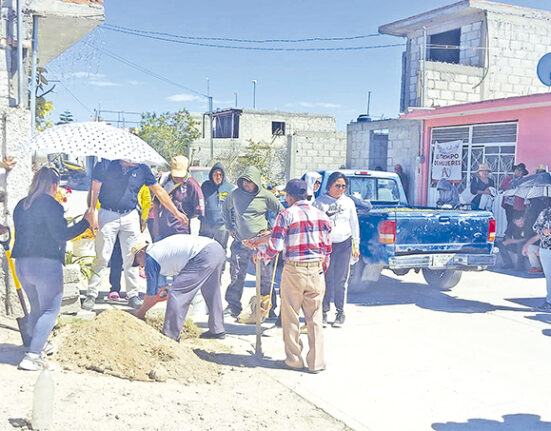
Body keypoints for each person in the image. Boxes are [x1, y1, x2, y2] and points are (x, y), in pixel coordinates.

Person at [245, 179, 331, 373]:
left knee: (291, 316)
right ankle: (316, 362)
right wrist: (321, 269)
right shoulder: (321, 215)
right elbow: (327, 248)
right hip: (316, 270)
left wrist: (260, 256)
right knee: (315, 318)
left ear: (290, 197)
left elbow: (275, 246)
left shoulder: (286, 214)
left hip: (294, 270)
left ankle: (294, 359)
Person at [82, 158, 189, 311]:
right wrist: (92, 210)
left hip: (130, 215)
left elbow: (158, 191)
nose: (134, 160)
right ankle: (91, 293)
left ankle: (133, 294)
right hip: (107, 213)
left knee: (132, 257)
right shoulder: (105, 164)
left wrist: (176, 212)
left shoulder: (142, 169)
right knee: (102, 256)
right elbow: (94, 189)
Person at [12, 167, 92, 370]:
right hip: (45, 264)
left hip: (22, 264)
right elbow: (61, 234)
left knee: (37, 308)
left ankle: (39, 343)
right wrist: (86, 223)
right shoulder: (51, 205)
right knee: (50, 310)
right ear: (54, 186)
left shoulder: (22, 204)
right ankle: (32, 356)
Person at [131, 234, 225, 339]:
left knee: (176, 293)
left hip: (202, 254)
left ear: (142, 253)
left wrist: (141, 312)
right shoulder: (159, 249)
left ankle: (170, 335)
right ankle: (217, 329)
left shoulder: (150, 258)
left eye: (138, 261)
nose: (141, 266)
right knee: (211, 290)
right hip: (216, 249)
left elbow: (151, 294)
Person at [222, 166, 283, 318]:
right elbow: (225, 208)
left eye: (250, 183)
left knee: (265, 278)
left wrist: (272, 231)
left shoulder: (266, 196)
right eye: (244, 182)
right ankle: (233, 306)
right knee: (236, 276)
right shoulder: (235, 195)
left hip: (261, 244)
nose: (246, 185)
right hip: (240, 242)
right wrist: (230, 226)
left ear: (256, 182)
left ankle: (268, 308)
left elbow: (283, 213)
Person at [313, 172, 359, 327]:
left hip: (344, 244)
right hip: (325, 246)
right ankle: (324, 312)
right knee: (325, 279)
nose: (340, 189)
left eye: (343, 186)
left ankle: (340, 312)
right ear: (330, 185)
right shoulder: (319, 203)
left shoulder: (349, 202)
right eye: (337, 185)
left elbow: (354, 224)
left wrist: (356, 245)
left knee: (341, 280)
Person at [107, 185, 152, 300]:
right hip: (113, 220)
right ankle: (114, 288)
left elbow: (146, 200)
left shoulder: (140, 180)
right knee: (116, 256)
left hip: (133, 221)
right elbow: (101, 199)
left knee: (132, 257)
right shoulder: (113, 178)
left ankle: (131, 292)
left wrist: (143, 218)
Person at [152, 155, 204, 241]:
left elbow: (198, 212)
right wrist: (156, 228)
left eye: (180, 176)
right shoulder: (165, 181)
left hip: (182, 233)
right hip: (163, 231)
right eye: (175, 175)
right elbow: (156, 203)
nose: (177, 178)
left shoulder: (193, 185)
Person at [199, 163, 234, 249]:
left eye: (220, 175)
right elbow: (199, 201)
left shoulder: (229, 188)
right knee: (203, 248)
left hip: (222, 226)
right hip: (206, 225)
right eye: (215, 174)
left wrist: (232, 225)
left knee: (221, 249)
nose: (218, 177)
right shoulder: (205, 186)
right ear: (211, 175)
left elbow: (233, 208)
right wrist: (201, 216)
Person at [529, 206, 551, 311]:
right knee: (549, 276)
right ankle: (549, 301)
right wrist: (543, 230)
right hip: (546, 248)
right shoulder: (546, 212)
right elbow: (535, 227)